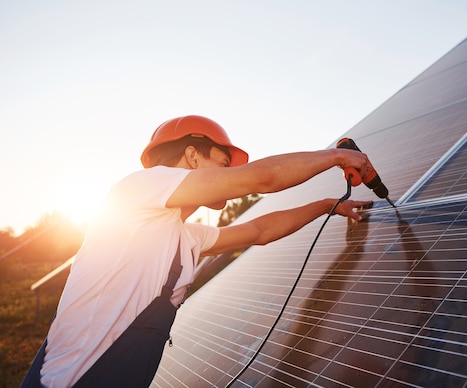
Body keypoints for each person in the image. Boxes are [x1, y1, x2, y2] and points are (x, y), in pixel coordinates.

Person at [24, 115, 371, 387]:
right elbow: (261, 179)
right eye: (223, 162)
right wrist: (338, 156)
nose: (231, 172)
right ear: (191, 155)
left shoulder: (185, 238)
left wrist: (327, 205)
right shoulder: (137, 189)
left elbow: (259, 231)